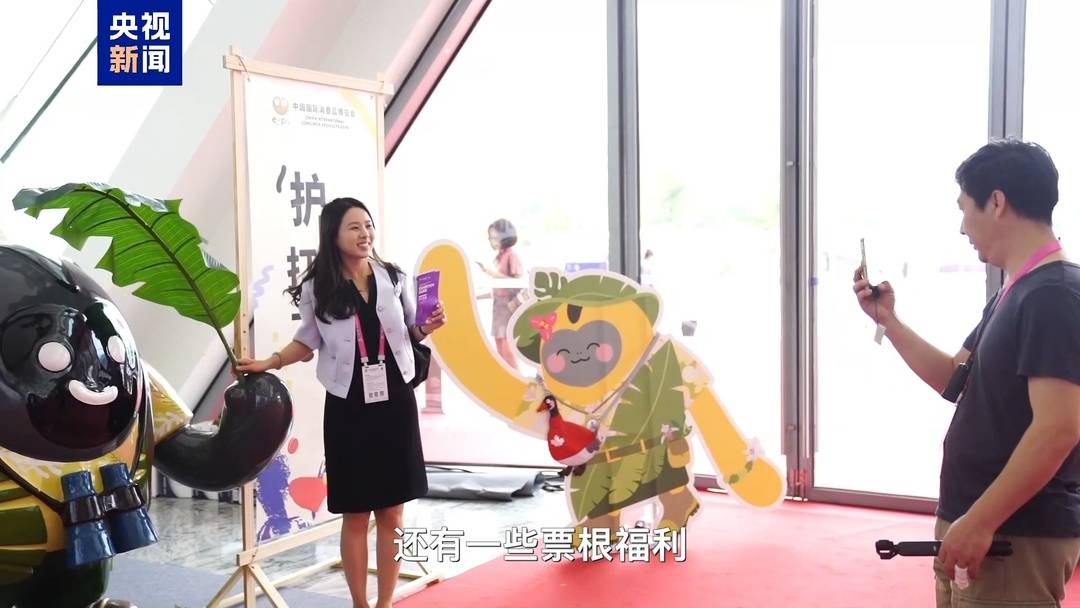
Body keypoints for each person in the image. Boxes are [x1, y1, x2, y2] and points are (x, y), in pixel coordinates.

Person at [852, 139, 1080, 607]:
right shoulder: (1017, 290)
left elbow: (1059, 428)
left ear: (996, 202)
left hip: (1012, 532)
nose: (962, 227)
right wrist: (889, 322)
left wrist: (980, 520)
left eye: (964, 209)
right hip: (983, 526)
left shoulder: (1052, 295)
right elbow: (955, 378)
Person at [236, 197, 445, 608]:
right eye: (354, 227)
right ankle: (360, 604)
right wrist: (269, 362)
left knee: (393, 513)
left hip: (396, 401)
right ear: (333, 234)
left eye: (368, 225)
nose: (365, 234)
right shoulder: (317, 288)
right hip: (349, 407)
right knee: (355, 512)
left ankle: (384, 603)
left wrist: (427, 325)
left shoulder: (393, 276)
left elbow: (410, 331)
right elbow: (306, 342)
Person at [479, 218, 524, 368]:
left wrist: (492, 273)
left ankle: (515, 377)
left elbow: (517, 282)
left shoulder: (511, 255)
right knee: (499, 343)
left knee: (506, 344)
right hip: (498, 305)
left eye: (494, 237)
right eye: (490, 237)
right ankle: (507, 376)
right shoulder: (500, 257)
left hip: (508, 305)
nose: (492, 241)